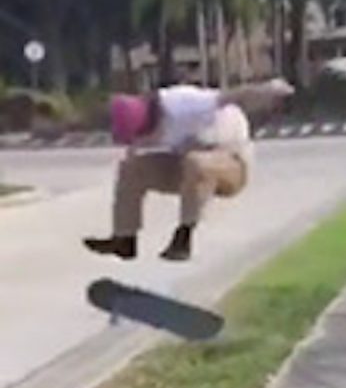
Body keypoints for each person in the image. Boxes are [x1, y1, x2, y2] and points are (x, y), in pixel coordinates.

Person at [84, 78, 294, 261]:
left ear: (150, 121)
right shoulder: (141, 121)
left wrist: (268, 89)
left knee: (196, 162)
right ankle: (124, 240)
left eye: (143, 136)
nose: (143, 141)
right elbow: (133, 155)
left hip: (233, 164)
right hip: (187, 167)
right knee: (131, 168)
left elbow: (232, 95)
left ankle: (184, 238)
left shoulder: (181, 103)